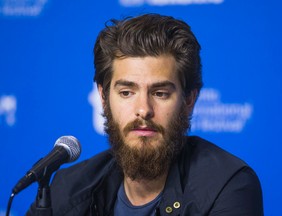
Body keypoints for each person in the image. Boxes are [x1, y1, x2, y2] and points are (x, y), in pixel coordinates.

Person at [27, 13, 263, 215]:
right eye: (127, 92)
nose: (143, 110)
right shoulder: (67, 187)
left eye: (160, 93)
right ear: (103, 96)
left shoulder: (228, 186)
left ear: (189, 99)